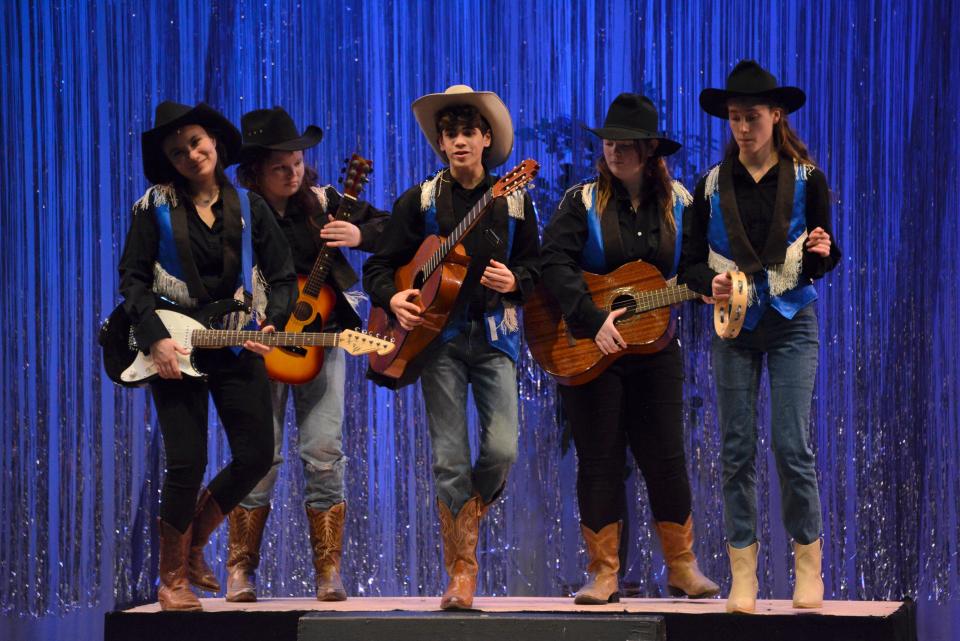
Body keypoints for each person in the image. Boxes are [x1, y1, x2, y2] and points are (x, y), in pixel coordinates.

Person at [362, 85, 540, 610]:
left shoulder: (514, 199)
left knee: (503, 448)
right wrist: (394, 297)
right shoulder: (420, 200)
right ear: (440, 143)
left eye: (469, 132)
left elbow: (539, 266)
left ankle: (468, 516)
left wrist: (518, 282)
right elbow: (380, 265)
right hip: (435, 339)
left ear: (487, 139)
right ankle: (461, 570)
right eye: (450, 134)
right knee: (448, 457)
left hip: (494, 335)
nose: (459, 141)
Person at [540, 93, 720, 604]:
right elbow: (555, 262)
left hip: (655, 348)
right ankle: (603, 573)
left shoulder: (681, 204)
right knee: (599, 460)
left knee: (666, 457)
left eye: (625, 145)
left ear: (649, 151)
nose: (614, 152)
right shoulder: (581, 201)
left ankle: (683, 567)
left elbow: (691, 268)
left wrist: (709, 283)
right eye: (609, 143)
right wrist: (592, 319)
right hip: (591, 348)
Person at [118, 102, 296, 610]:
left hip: (236, 341)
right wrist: (154, 337)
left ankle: (193, 542)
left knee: (258, 454)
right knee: (187, 461)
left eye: (196, 143)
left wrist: (272, 322)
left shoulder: (251, 205)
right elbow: (132, 279)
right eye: (177, 151)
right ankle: (172, 579)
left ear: (214, 142)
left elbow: (281, 276)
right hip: (173, 344)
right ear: (170, 161)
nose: (190, 154)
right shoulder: (153, 207)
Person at [679, 60, 841, 613]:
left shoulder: (806, 178)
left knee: (792, 445)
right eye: (734, 118)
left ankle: (808, 568)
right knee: (736, 449)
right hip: (735, 329)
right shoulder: (709, 185)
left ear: (776, 116)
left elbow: (825, 253)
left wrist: (821, 252)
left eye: (751, 117)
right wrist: (710, 282)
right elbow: (688, 267)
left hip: (793, 320)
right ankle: (742, 573)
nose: (742, 128)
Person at [226, 106, 388, 602]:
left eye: (297, 162)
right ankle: (239, 569)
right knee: (260, 456)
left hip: (322, 341)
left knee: (323, 450)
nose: (293, 173)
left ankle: (328, 571)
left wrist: (359, 235)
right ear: (255, 171)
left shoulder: (325, 202)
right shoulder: (235, 213)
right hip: (260, 344)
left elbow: (393, 229)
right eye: (280, 167)